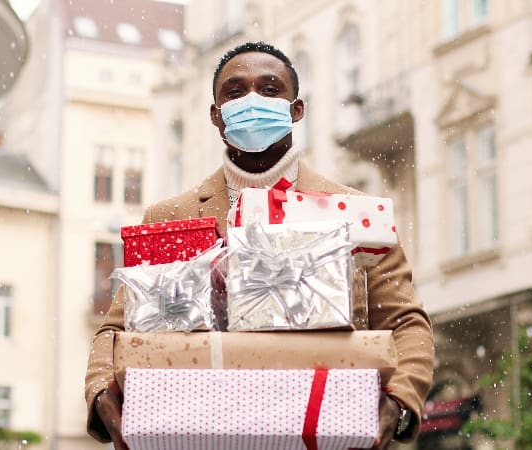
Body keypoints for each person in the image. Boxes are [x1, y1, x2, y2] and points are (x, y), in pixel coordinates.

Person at [85, 41, 435, 450]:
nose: (252, 100)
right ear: (216, 115)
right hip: (198, 432)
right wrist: (100, 392)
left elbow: (407, 324)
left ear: (296, 109)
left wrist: (399, 401)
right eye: (235, 92)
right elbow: (117, 329)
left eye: (270, 89)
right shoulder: (169, 218)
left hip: (323, 431)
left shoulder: (355, 214)